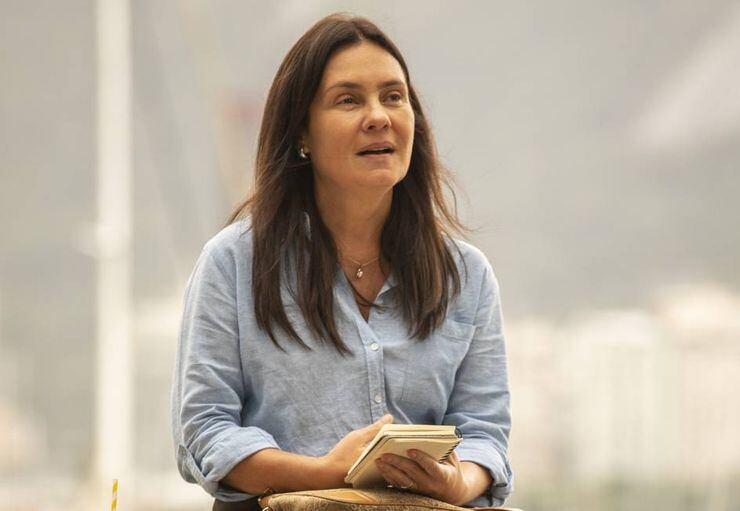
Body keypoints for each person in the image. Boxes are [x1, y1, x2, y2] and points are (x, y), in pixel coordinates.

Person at [171, 12, 512, 509]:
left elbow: (484, 433)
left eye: (393, 97)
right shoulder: (233, 263)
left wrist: (456, 483)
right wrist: (328, 473)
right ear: (302, 134)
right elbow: (205, 431)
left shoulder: (467, 276)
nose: (378, 116)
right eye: (348, 100)